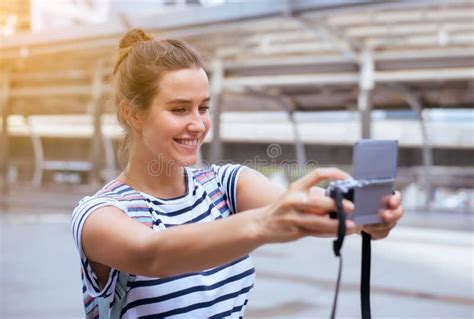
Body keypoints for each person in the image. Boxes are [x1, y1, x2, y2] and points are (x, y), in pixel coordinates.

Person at [71, 28, 403, 319]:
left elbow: (315, 207)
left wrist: (368, 215)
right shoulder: (99, 214)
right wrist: (263, 224)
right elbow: (153, 254)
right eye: (179, 109)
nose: (198, 124)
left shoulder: (225, 185)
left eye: (203, 107)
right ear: (133, 114)